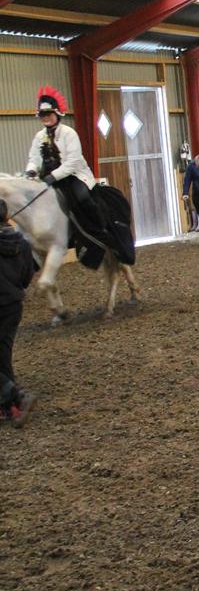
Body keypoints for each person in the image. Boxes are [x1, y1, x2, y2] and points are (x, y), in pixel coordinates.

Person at [24, 86, 110, 245]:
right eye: (42, 115)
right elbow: (34, 157)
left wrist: (53, 176)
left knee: (82, 197)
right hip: (48, 177)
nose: (45, 118)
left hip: (73, 176)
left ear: (57, 114)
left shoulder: (69, 133)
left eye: (49, 114)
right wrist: (30, 171)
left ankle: (100, 229)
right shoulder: (39, 136)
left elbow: (72, 162)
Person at [0, 199, 37, 428]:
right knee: (3, 355)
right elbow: (27, 275)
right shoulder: (21, 242)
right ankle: (9, 408)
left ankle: (18, 397)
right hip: (14, 305)